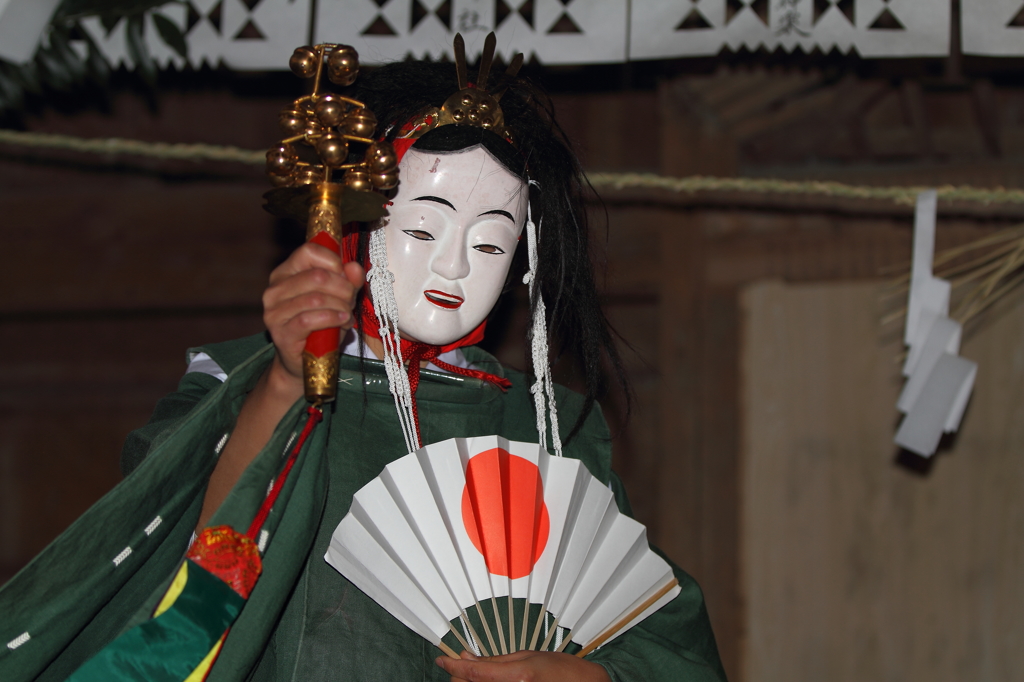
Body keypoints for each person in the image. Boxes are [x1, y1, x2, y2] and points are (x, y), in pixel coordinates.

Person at [0, 47, 727, 682]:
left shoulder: (549, 424)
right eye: (420, 227)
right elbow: (186, 577)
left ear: (521, 267)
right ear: (356, 224)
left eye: (489, 244)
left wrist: (590, 676)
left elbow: (664, 641)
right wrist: (287, 380)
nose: (452, 265)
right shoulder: (245, 384)